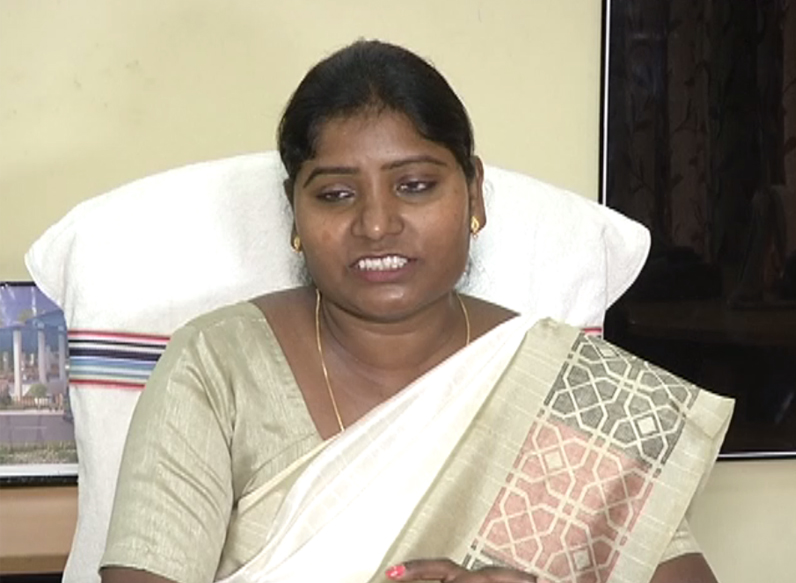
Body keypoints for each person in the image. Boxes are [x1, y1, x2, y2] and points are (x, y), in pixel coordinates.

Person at [99, 40, 732, 583]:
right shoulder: (218, 366)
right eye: (336, 194)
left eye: (416, 186)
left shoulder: (571, 387)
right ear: (295, 211)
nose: (376, 224)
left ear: (474, 192)